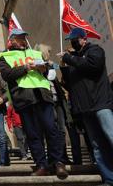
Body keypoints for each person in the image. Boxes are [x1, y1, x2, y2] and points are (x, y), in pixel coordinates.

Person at [0, 29, 67, 178]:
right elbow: (7, 75)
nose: (24, 40)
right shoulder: (4, 56)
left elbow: (49, 73)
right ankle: (42, 165)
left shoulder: (35, 53)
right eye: (21, 38)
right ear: (13, 40)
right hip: (24, 98)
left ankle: (58, 162)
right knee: (33, 134)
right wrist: (26, 67)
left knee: (51, 129)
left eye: (24, 38)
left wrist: (44, 67)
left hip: (42, 95)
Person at [60, 28, 113, 185]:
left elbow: (93, 66)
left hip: (101, 104)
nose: (73, 43)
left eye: (75, 39)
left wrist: (70, 58)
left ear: (83, 39)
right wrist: (64, 67)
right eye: (71, 40)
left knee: (111, 136)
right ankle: (109, 178)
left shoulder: (95, 50)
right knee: (97, 146)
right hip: (86, 108)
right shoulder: (74, 59)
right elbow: (71, 85)